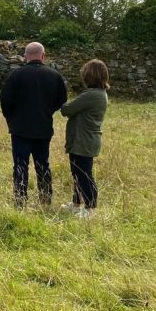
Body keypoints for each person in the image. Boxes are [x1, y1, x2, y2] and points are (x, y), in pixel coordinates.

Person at [0, 42, 68, 208]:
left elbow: (5, 100)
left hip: (20, 129)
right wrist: (47, 111)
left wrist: (12, 119)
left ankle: (20, 200)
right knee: (43, 164)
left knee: (20, 165)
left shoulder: (16, 75)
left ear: (25, 56)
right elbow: (62, 101)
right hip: (43, 128)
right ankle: (45, 199)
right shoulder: (54, 76)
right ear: (43, 56)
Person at [60, 59, 109, 218]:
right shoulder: (98, 93)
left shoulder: (91, 95)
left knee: (84, 174)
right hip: (83, 140)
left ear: (90, 76)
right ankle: (76, 203)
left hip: (84, 141)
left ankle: (90, 208)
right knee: (77, 172)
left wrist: (60, 99)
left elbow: (67, 110)